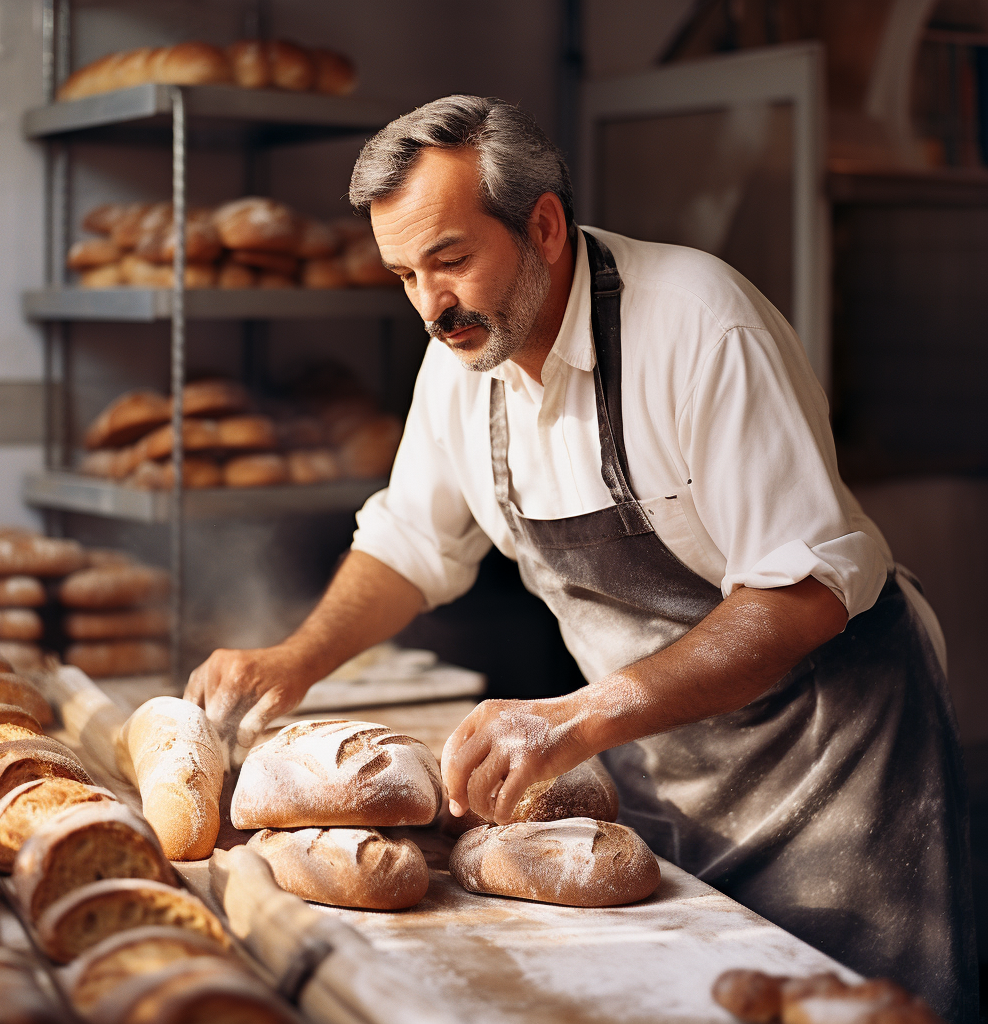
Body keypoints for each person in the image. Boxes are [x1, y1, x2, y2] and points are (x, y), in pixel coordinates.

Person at [186, 95, 975, 1019]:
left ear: (546, 226)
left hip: (834, 760)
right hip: (659, 752)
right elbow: (411, 540)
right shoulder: (463, 359)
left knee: (853, 1006)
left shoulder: (697, 325)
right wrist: (297, 659)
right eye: (404, 274)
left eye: (451, 261)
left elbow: (799, 593)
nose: (431, 309)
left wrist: (579, 719)